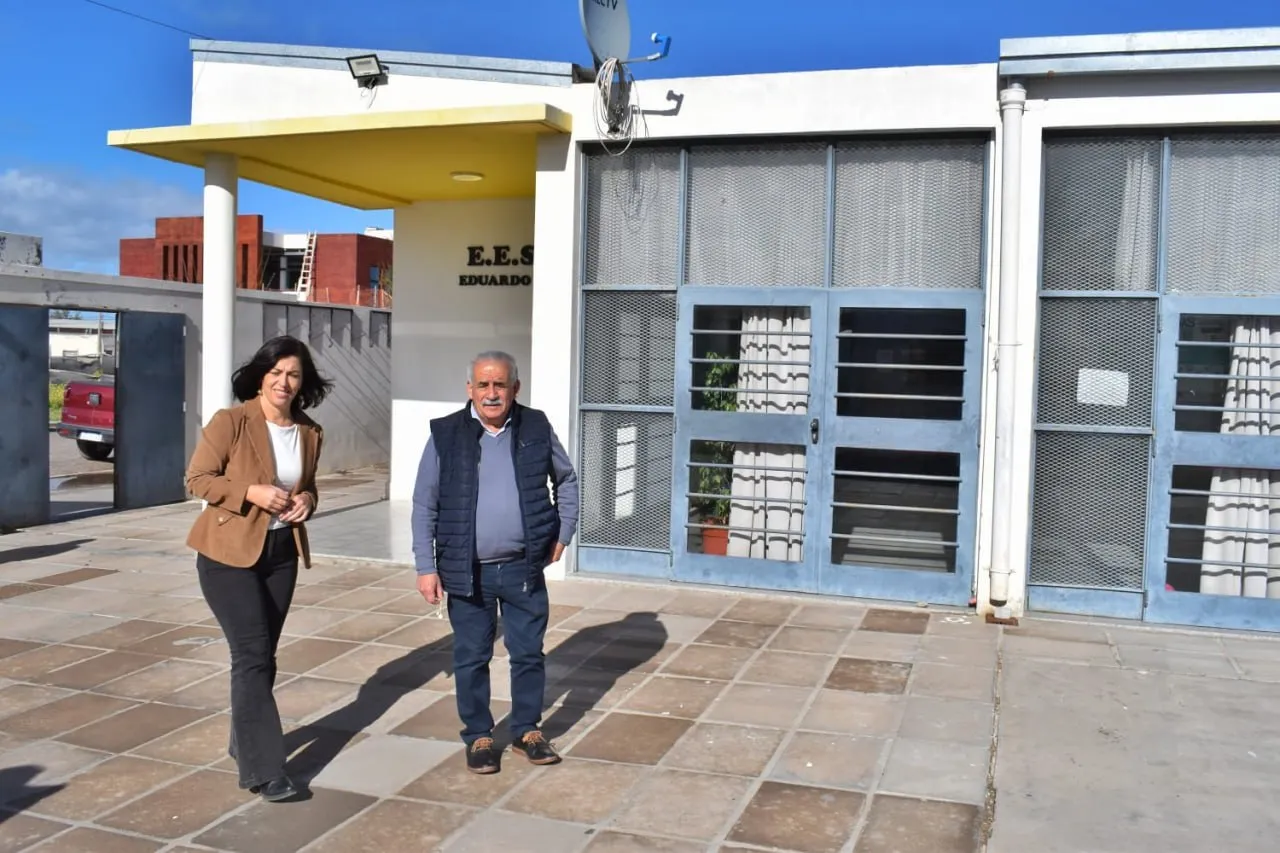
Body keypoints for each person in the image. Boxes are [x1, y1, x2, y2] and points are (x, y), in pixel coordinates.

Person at [411, 350, 580, 774]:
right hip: (468, 571)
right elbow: (423, 504)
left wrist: (564, 530)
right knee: (470, 657)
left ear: (514, 388)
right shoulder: (446, 434)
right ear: (469, 389)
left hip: (523, 567)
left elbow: (567, 479)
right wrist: (425, 566)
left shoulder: (535, 426)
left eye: (500, 385)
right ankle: (479, 736)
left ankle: (526, 730)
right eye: (483, 385)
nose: (491, 393)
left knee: (528, 654)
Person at [185, 335, 332, 802]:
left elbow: (306, 485)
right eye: (276, 372)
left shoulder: (309, 432)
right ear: (261, 375)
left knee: (263, 657)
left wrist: (307, 500)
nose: (283, 382)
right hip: (227, 556)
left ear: (302, 382)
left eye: (293, 374)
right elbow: (197, 479)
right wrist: (252, 492)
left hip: (280, 556)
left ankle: (244, 741)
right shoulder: (232, 422)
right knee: (250, 656)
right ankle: (266, 770)